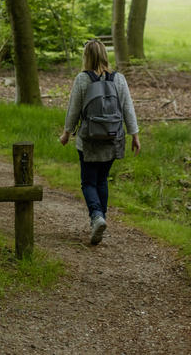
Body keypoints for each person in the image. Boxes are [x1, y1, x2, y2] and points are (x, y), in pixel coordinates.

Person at [59, 39, 140, 245]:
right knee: (102, 180)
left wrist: (67, 133)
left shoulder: (82, 79)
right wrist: (135, 136)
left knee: (88, 182)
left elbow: (74, 109)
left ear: (86, 57)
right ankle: (100, 219)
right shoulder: (119, 79)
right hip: (113, 139)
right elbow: (128, 109)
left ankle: (96, 217)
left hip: (88, 140)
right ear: (105, 55)